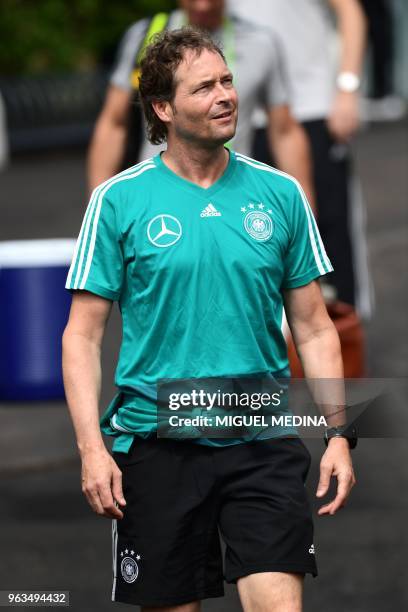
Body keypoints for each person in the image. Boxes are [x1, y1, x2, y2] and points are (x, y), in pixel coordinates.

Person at [63, 27, 356, 611]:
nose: (225, 95)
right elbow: (82, 336)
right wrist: (92, 450)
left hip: (262, 439)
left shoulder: (280, 194)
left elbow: (316, 326)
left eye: (227, 81)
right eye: (204, 88)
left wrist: (341, 433)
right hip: (157, 446)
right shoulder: (118, 201)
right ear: (164, 108)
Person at [87, 0, 315, 205]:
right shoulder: (145, 35)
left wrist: (304, 205)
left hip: (235, 197)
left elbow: (285, 131)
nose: (203, 6)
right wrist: (99, 204)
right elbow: (114, 123)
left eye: (227, 81)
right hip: (158, 199)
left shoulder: (261, 42)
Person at [229, 0, 374, 318]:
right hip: (249, 119)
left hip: (312, 109)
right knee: (256, 236)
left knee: (328, 232)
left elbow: (351, 12)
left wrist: (347, 89)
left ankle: (344, 339)